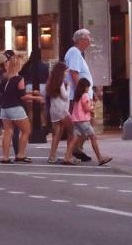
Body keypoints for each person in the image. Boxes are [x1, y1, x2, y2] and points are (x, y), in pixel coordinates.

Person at [0, 54, 43, 163]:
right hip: (15, 108)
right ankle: (20, 154)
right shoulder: (19, 79)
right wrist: (36, 98)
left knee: (8, 132)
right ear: (18, 65)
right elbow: (22, 96)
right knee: (26, 130)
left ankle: (5, 157)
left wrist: (31, 93)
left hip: (4, 109)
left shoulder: (4, 77)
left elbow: (3, 92)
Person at [62, 78, 111, 166]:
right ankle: (100, 158)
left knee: (74, 139)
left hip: (76, 120)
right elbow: (86, 108)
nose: (88, 89)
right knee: (93, 137)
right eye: (88, 87)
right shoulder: (85, 95)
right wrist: (92, 109)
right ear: (84, 87)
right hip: (83, 120)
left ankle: (67, 157)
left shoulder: (77, 95)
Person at [65, 29, 95, 162]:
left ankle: (77, 150)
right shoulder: (74, 52)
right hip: (79, 96)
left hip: (83, 95)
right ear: (81, 40)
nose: (90, 41)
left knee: (82, 125)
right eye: (88, 38)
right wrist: (82, 92)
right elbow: (74, 72)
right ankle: (74, 151)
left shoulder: (77, 53)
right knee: (81, 125)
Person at [45, 61, 73, 164]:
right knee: (72, 132)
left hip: (54, 111)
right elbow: (65, 97)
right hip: (63, 111)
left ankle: (52, 156)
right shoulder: (61, 83)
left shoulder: (50, 82)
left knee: (57, 133)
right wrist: (69, 87)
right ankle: (68, 156)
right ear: (61, 72)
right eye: (66, 71)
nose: (66, 73)